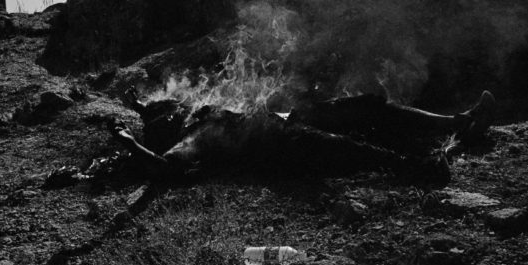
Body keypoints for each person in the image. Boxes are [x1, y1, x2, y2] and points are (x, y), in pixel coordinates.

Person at [109, 90, 497, 182]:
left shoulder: (198, 113)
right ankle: (421, 169)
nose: (179, 103)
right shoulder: (187, 139)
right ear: (169, 124)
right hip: (280, 146)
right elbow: (162, 169)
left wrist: (137, 105)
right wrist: (128, 141)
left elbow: (148, 108)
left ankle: (455, 123)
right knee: (345, 149)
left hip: (284, 119)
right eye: (170, 109)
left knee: (367, 103)